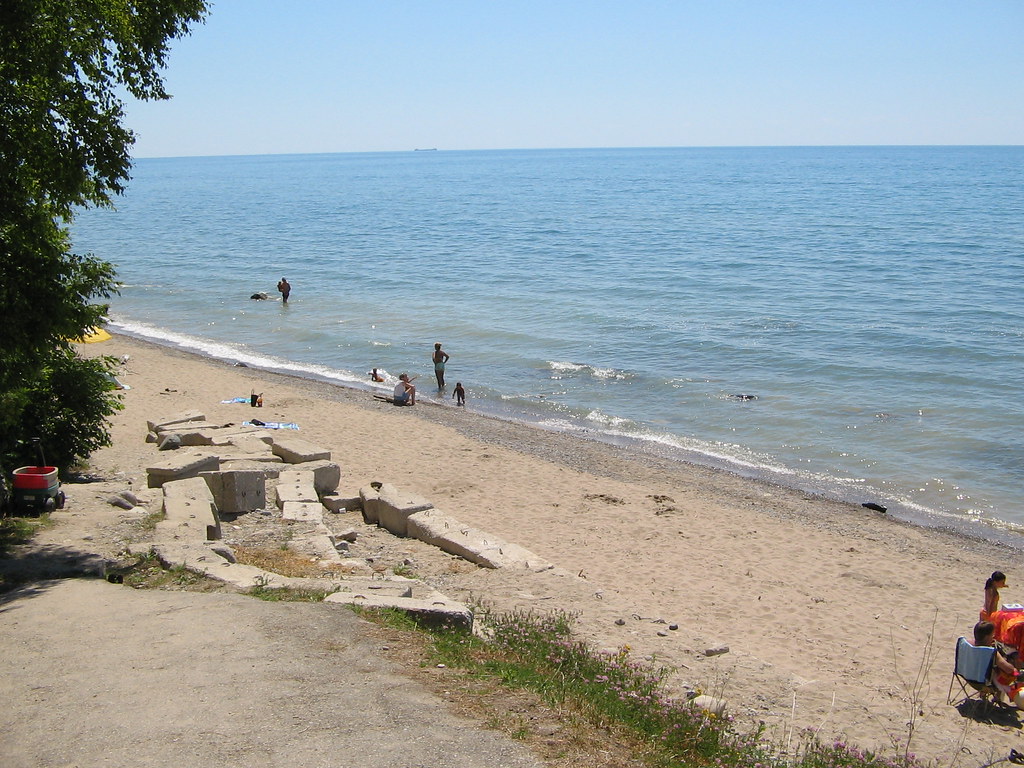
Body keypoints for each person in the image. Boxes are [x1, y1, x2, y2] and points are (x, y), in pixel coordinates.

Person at [974, 620, 1024, 705]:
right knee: (1010, 666)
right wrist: (1016, 670)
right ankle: (998, 698)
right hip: (987, 682)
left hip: (973, 677)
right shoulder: (992, 653)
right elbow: (1008, 669)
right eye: (992, 635)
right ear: (987, 637)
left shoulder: (971, 646)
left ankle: (984, 694)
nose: (993, 637)